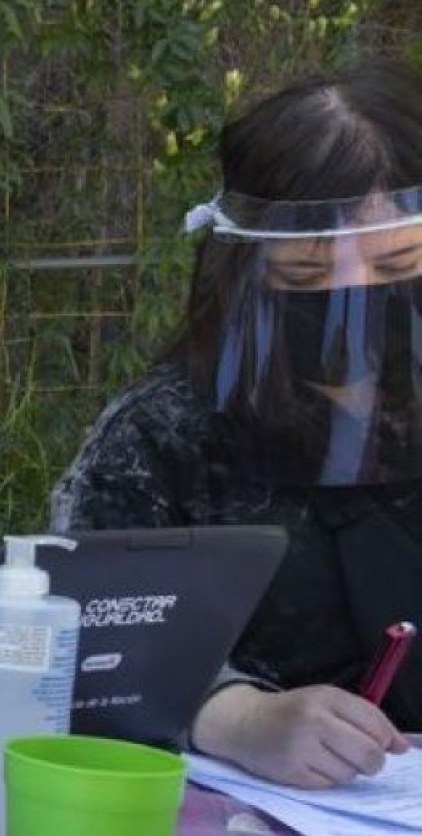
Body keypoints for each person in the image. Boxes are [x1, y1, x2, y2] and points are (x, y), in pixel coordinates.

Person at [52, 59, 422, 789]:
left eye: (399, 267)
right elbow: (74, 639)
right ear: (248, 272)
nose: (357, 310)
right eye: (310, 281)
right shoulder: (167, 435)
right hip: (241, 835)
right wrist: (235, 716)